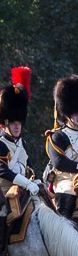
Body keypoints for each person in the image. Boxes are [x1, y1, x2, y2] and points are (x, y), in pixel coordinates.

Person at [0, 67, 38, 256]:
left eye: (19, 122)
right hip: (2, 187)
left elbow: (27, 166)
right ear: (4, 124)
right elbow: (2, 172)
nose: (17, 126)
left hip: (21, 186)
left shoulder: (22, 143)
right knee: (1, 211)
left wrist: (34, 179)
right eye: (12, 123)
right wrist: (25, 182)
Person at [45, 75, 78, 221]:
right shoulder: (58, 136)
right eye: (75, 113)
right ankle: (63, 225)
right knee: (68, 191)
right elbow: (59, 162)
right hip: (65, 179)